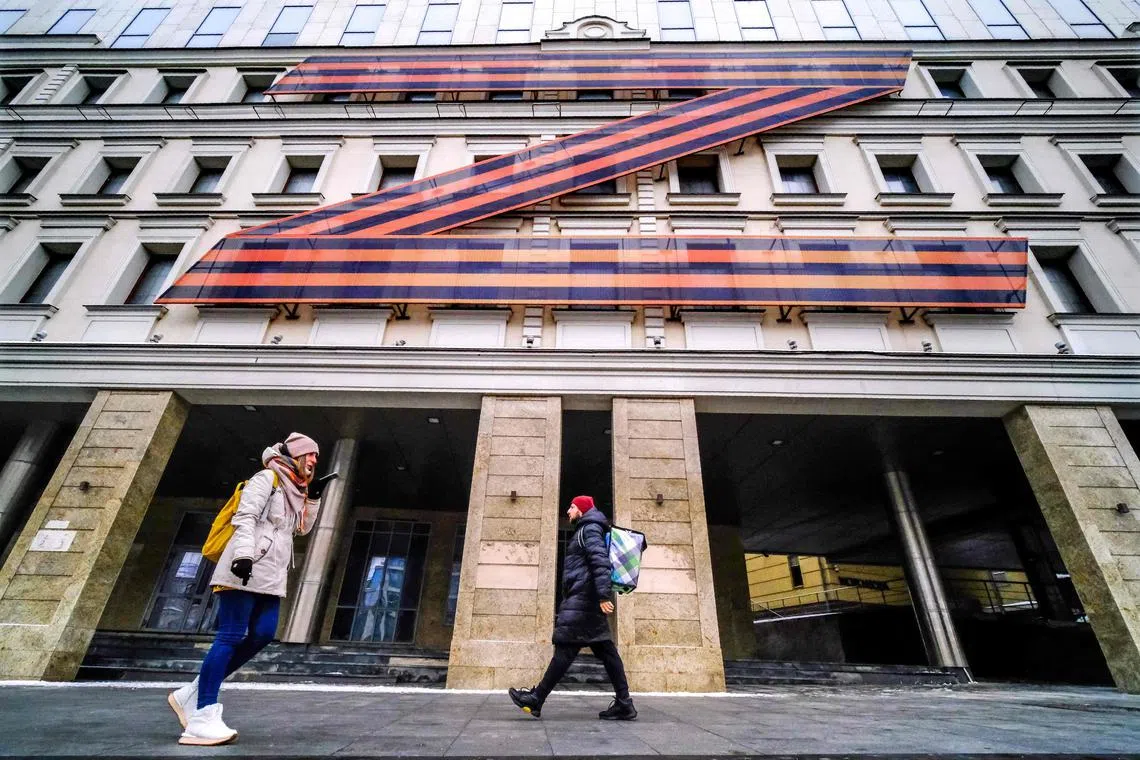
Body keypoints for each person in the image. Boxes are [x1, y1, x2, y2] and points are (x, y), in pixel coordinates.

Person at [167, 433, 327, 745]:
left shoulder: (296, 488)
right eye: (309, 455)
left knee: (264, 634)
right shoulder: (267, 477)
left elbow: (300, 529)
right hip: (245, 565)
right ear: (294, 454)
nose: (313, 461)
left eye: (316, 458)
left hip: (271, 575)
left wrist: (315, 498)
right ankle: (202, 716)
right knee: (231, 634)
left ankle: (194, 691)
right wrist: (242, 555)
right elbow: (246, 518)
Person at [509, 495, 637, 721]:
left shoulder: (589, 529)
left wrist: (602, 596)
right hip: (584, 598)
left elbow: (599, 561)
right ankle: (624, 703)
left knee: (567, 647)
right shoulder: (586, 529)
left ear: (582, 509)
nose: (568, 511)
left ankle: (537, 698)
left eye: (572, 507)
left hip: (584, 599)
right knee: (605, 651)